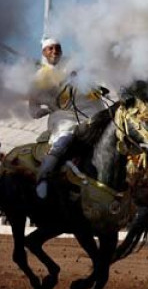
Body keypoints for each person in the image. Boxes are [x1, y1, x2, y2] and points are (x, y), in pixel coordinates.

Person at [29, 37, 104, 199]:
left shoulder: (72, 65)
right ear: (44, 52)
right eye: (50, 48)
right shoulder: (39, 78)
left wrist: (89, 84)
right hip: (62, 118)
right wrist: (44, 111)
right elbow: (33, 110)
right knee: (65, 137)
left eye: (57, 48)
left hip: (86, 114)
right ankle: (43, 178)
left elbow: (90, 87)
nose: (55, 51)